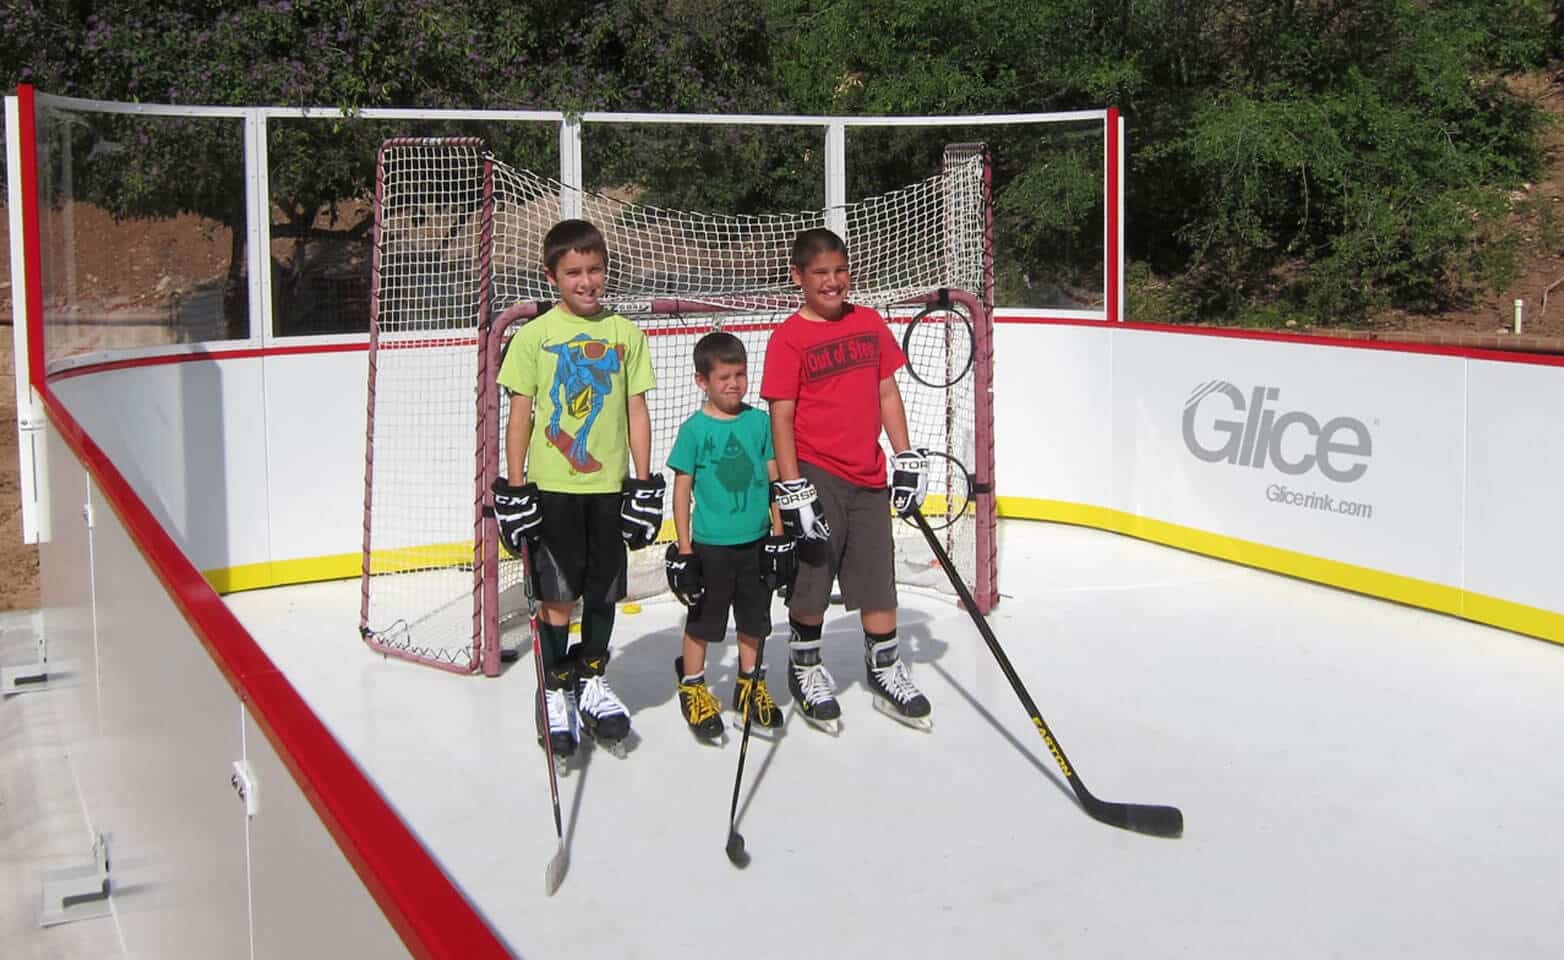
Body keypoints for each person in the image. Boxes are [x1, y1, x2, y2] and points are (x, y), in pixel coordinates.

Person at [490, 219, 664, 760]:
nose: (586, 281)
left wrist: (642, 480)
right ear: (552, 277)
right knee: (558, 594)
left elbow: (637, 409)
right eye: (573, 273)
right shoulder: (534, 338)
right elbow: (520, 415)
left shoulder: (626, 335)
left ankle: (591, 678)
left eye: (594, 269)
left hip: (609, 490)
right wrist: (515, 486)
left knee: (604, 591)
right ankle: (554, 688)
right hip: (553, 488)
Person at [759, 227, 932, 733]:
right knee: (812, 577)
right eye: (820, 274)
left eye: (840, 271)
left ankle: (883, 670)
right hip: (816, 474)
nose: (833, 282)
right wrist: (791, 488)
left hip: (869, 473)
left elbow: (886, 394)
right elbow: (781, 417)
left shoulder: (869, 322)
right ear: (799, 278)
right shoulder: (789, 338)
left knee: (877, 576)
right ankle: (805, 667)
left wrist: (904, 456)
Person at [662, 331, 794, 742]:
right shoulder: (694, 430)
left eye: (740, 374)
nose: (734, 384)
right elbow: (682, 490)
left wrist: (778, 532)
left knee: (754, 621)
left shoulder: (758, 422)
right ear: (702, 380)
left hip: (754, 543)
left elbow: (773, 478)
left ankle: (749, 684)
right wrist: (685, 549)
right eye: (724, 377)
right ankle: (694, 686)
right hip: (711, 545)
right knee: (704, 621)